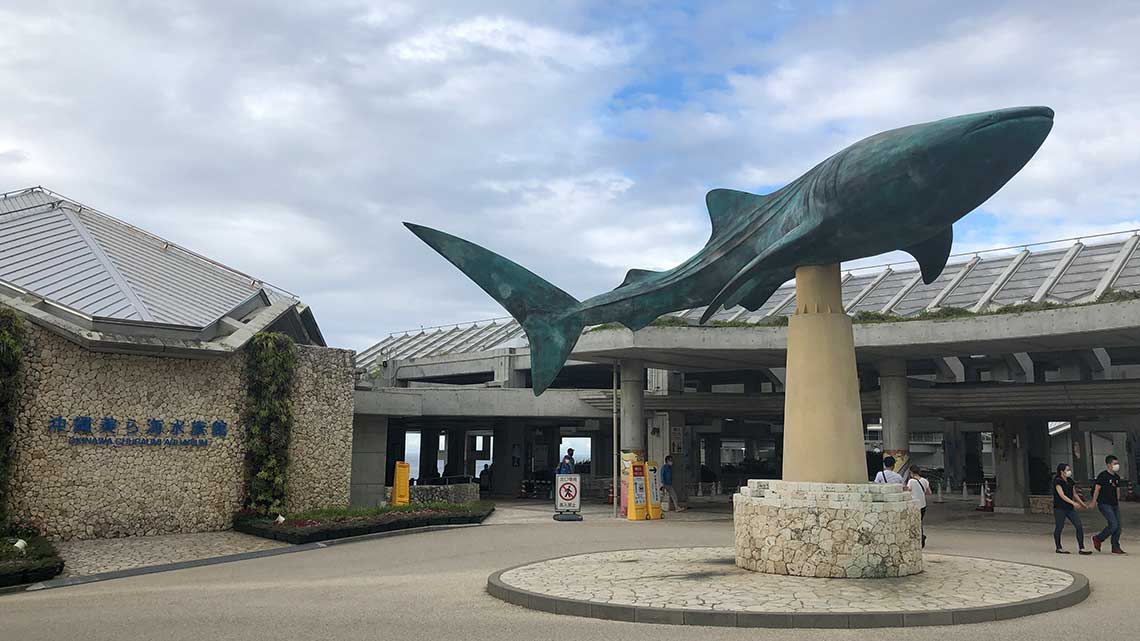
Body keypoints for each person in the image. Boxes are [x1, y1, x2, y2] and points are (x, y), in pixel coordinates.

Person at [1053, 463, 1092, 555]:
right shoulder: (1057, 481)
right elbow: (1061, 495)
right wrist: (1073, 503)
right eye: (1067, 470)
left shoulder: (1070, 481)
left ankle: (1081, 548)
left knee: (1079, 525)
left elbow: (1074, 494)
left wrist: (1083, 504)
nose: (1069, 471)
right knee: (1059, 527)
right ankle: (1058, 547)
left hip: (1069, 508)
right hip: (1060, 508)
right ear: (1062, 471)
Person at [1092, 455, 1126, 554]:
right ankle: (1098, 538)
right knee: (1113, 524)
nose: (1117, 465)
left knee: (1118, 526)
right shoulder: (1103, 476)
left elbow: (1117, 490)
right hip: (1104, 503)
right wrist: (1093, 501)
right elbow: (1097, 489)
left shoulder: (1116, 477)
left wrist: (1118, 500)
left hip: (1114, 504)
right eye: (1114, 463)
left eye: (1117, 463)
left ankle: (1115, 546)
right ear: (1108, 465)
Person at [907, 466, 932, 548]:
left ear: (911, 472)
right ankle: (921, 537)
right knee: (920, 521)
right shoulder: (925, 480)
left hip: (914, 505)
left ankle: (920, 537)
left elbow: (908, 490)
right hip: (923, 504)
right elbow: (929, 492)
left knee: (914, 522)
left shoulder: (911, 481)